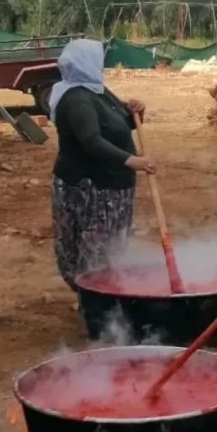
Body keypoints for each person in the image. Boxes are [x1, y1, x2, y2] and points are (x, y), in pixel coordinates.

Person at [48, 38, 156, 295]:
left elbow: (118, 124)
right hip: (91, 189)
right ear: (86, 63)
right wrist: (133, 161)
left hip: (112, 186)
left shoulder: (96, 90)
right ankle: (94, 301)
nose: (102, 67)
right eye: (98, 61)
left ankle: (100, 297)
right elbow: (92, 141)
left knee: (108, 249)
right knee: (93, 251)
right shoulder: (77, 100)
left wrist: (136, 112)